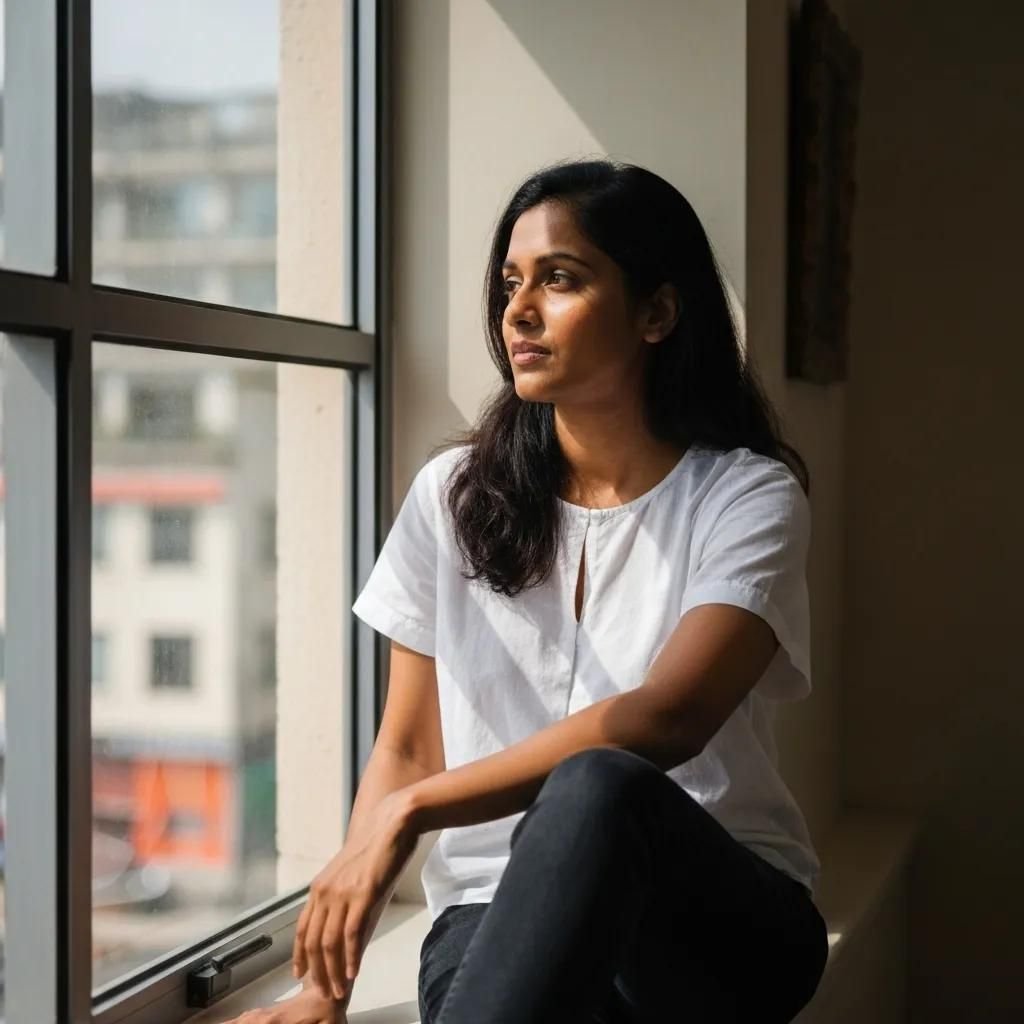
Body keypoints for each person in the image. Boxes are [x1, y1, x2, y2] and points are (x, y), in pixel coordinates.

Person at [221, 158, 829, 1024]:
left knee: (598, 787)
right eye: (511, 282)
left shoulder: (747, 497)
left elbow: (667, 718)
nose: (518, 309)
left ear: (657, 312)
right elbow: (406, 743)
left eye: (561, 279)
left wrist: (411, 812)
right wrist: (324, 985)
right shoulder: (452, 493)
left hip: (715, 924)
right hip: (491, 911)